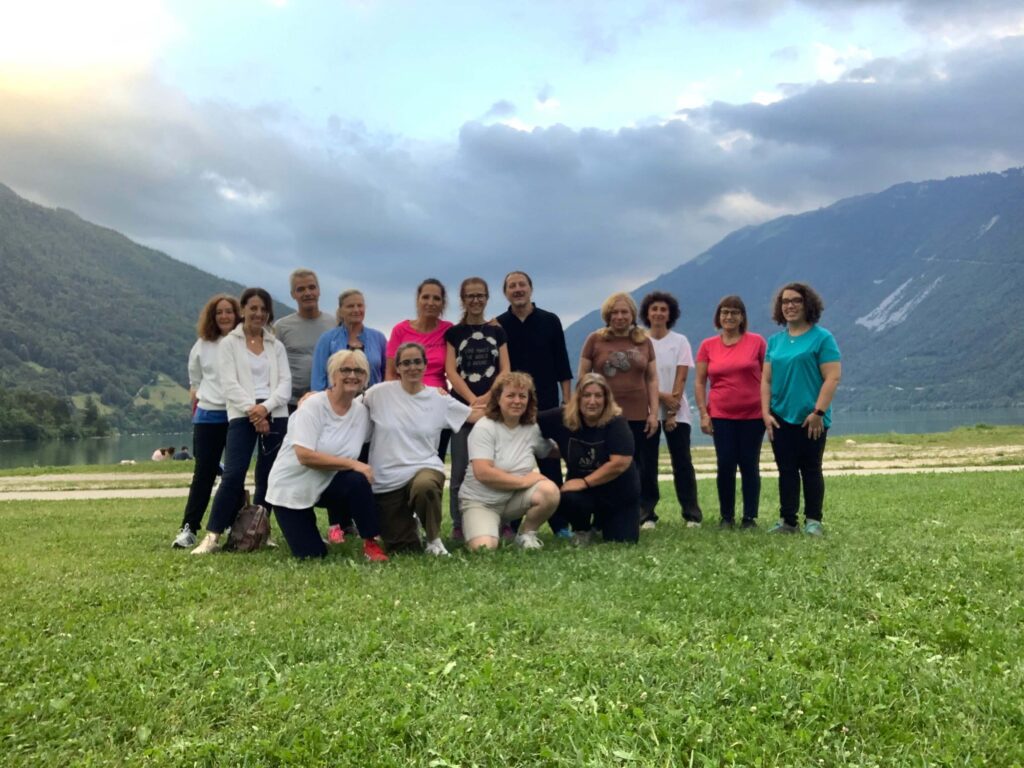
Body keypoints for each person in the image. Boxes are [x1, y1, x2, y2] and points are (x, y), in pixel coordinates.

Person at [191, 288, 291, 555]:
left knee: (267, 476)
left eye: (263, 309)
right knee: (233, 475)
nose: (258, 313)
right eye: (253, 308)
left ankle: (261, 531)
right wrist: (253, 411)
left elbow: (285, 385)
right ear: (243, 310)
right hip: (241, 414)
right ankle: (212, 536)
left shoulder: (276, 346)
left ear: (268, 313)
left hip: (275, 415)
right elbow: (229, 383)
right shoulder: (229, 344)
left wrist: (265, 408)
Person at [265, 350, 388, 561]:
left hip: (327, 485)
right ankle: (309, 534)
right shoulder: (313, 406)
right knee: (313, 555)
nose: (352, 375)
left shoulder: (361, 412)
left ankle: (371, 543)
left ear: (365, 378)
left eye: (359, 371)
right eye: (345, 370)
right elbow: (304, 456)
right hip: (291, 489)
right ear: (333, 375)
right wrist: (353, 463)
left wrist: (437, 392)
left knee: (357, 481)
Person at [364, 343, 479, 556]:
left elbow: (471, 415)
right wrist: (313, 398)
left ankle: (434, 540)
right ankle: (411, 524)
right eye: (406, 363)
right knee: (403, 549)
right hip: (387, 479)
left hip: (424, 467)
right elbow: (348, 405)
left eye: (417, 361)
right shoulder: (378, 394)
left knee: (424, 486)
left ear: (426, 366)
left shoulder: (439, 399)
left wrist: (512, 409)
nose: (412, 367)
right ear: (397, 368)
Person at [496, 271, 574, 537]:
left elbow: (562, 362)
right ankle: (512, 524)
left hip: (548, 404)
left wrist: (568, 399)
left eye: (522, 284)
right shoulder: (498, 325)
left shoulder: (550, 321)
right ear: (505, 292)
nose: (517, 289)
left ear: (531, 288)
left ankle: (560, 524)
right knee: (514, 463)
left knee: (551, 463)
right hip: (513, 406)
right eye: (511, 286)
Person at [762, 282, 842, 536]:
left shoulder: (822, 338)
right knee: (786, 470)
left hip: (812, 417)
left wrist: (818, 412)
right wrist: (765, 413)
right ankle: (787, 521)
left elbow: (832, 377)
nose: (790, 306)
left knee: (810, 468)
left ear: (808, 304)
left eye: (795, 300)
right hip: (779, 416)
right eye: (785, 301)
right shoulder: (774, 342)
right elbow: (766, 380)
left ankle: (813, 520)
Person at [578, 292, 659, 527]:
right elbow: (583, 377)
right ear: (607, 315)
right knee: (604, 465)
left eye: (624, 312)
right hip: (604, 416)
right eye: (615, 312)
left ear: (632, 314)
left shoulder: (644, 341)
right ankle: (601, 515)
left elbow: (652, 379)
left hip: (638, 414)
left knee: (641, 466)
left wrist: (653, 413)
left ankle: (645, 514)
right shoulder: (595, 339)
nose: (620, 316)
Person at [459, 372, 560, 551]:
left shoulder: (532, 428)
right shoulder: (484, 427)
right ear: (498, 398)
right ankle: (485, 527)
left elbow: (550, 451)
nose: (517, 401)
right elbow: (483, 473)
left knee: (549, 491)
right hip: (482, 502)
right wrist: (523, 481)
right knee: (484, 549)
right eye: (510, 395)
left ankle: (526, 535)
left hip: (512, 499)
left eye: (522, 396)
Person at [538, 373, 640, 544]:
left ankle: (601, 523)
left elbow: (620, 463)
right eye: (586, 395)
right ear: (578, 398)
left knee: (622, 541)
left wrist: (584, 482)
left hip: (618, 493)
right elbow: (528, 422)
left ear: (606, 399)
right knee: (567, 496)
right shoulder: (561, 417)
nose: (592, 401)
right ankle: (582, 529)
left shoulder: (616, 423)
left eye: (598, 395)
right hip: (583, 495)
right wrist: (543, 449)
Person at [444, 277, 510, 541]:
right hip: (461, 409)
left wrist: (487, 397)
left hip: (494, 407)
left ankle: (503, 521)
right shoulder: (454, 333)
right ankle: (459, 524)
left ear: (487, 298)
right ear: (462, 299)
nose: (475, 300)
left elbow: (506, 370)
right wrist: (472, 399)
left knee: (498, 466)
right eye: (470, 296)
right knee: (459, 467)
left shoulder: (498, 331)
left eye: (480, 295)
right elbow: (451, 370)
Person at [694, 296, 767, 528]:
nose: (729, 316)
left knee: (749, 464)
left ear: (742, 317)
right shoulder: (708, 345)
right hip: (721, 415)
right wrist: (704, 414)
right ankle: (727, 517)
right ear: (718, 316)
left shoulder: (756, 342)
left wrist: (769, 408)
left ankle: (749, 517)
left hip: (754, 414)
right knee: (725, 463)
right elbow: (699, 382)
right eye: (725, 312)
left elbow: (768, 377)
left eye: (735, 312)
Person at [639, 291, 702, 528]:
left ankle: (692, 514)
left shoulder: (680, 341)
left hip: (678, 411)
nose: (658, 313)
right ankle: (646, 515)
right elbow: (641, 378)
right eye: (654, 309)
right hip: (647, 410)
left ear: (670, 314)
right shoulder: (640, 340)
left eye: (663, 309)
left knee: (683, 462)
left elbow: (682, 375)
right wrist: (661, 397)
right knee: (647, 463)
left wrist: (672, 412)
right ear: (647, 313)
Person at [386, 278, 455, 460]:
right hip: (405, 404)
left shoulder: (449, 330)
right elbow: (391, 373)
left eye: (436, 298)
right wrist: (396, 403)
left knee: (435, 459)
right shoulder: (400, 330)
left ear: (443, 303)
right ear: (418, 300)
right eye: (426, 297)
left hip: (437, 404)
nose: (430, 303)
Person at [273, 269, 337, 411]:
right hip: (290, 404)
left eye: (312, 287)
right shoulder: (281, 327)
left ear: (319, 291)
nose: (307, 293)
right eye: (301, 289)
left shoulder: (335, 324)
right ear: (293, 294)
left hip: (328, 402)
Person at [310, 289, 388, 389]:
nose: (356, 310)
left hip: (372, 401)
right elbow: (318, 379)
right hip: (336, 401)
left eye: (360, 305)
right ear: (341, 311)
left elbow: (387, 373)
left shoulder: (379, 338)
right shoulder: (327, 339)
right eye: (350, 306)